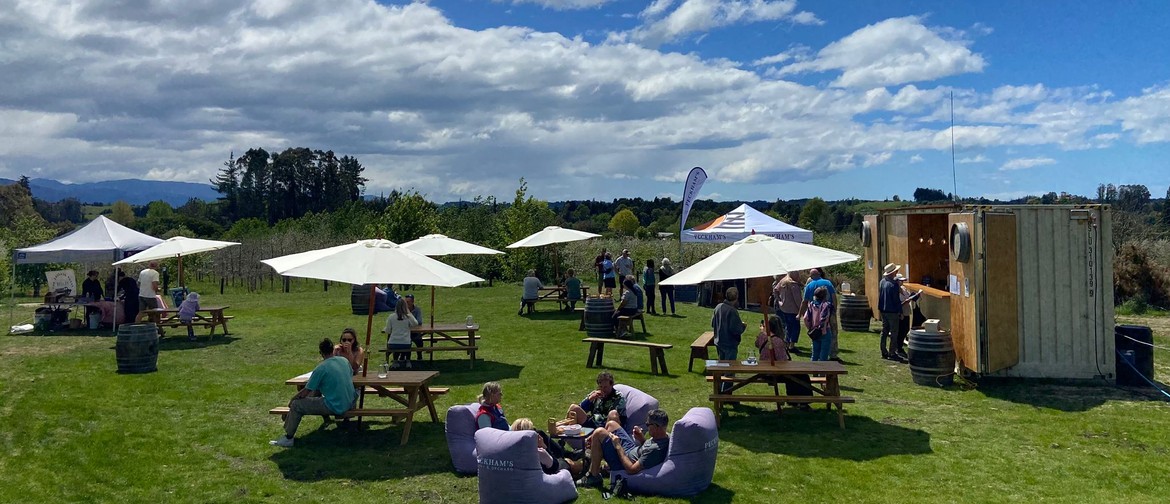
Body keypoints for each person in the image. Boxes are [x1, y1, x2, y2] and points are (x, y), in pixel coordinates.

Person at [270, 338, 357, 447]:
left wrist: (291, 401)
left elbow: (306, 391)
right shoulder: (344, 361)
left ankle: (288, 438)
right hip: (350, 402)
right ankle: (321, 419)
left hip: (336, 406)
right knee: (317, 391)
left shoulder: (321, 368)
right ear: (332, 350)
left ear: (321, 353)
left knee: (297, 405)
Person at [575, 409, 671, 488]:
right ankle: (596, 453)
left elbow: (631, 469)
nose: (647, 426)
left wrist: (617, 445)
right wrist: (641, 439)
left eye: (648, 424)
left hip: (623, 462)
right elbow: (646, 450)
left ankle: (593, 475)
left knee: (599, 432)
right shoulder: (663, 436)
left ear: (656, 426)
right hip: (632, 450)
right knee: (611, 424)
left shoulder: (655, 449)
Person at [799, 268, 839, 360]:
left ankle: (814, 362)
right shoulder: (828, 283)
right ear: (819, 274)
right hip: (828, 315)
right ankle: (833, 354)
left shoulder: (809, 286)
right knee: (833, 333)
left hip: (814, 318)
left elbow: (804, 302)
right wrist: (834, 310)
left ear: (811, 276)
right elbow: (834, 297)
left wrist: (799, 314)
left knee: (815, 342)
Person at [383, 299, 420, 368]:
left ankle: (395, 361)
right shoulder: (408, 316)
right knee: (407, 343)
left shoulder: (391, 317)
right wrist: (409, 313)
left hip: (393, 343)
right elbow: (416, 323)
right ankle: (408, 361)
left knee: (396, 343)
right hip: (405, 343)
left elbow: (388, 331)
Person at [877, 263, 902, 361]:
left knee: (884, 331)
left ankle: (883, 351)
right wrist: (900, 311)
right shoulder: (893, 284)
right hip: (892, 311)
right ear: (893, 272)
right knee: (894, 332)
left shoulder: (882, 282)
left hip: (883, 310)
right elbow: (896, 300)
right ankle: (892, 352)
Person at [775, 271, 804, 352]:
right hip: (793, 310)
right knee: (795, 328)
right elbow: (797, 299)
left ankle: (787, 343)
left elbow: (775, 290)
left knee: (788, 326)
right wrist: (802, 309)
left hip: (784, 308)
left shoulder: (783, 281)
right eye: (797, 275)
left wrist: (779, 300)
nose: (799, 277)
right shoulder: (793, 285)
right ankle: (791, 345)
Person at [804, 286, 835, 361]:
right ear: (825, 296)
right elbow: (825, 318)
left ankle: (813, 368)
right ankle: (822, 369)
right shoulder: (826, 305)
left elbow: (805, 318)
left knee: (814, 354)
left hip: (814, 331)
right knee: (824, 355)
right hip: (825, 331)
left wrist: (810, 328)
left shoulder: (811, 304)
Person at [404, 294, 425, 360]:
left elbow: (419, 322)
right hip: (406, 332)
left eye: (408, 302)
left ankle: (419, 356)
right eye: (405, 302)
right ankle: (406, 358)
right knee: (406, 342)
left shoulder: (417, 310)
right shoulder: (403, 310)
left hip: (416, 332)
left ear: (412, 302)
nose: (406, 304)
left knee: (419, 342)